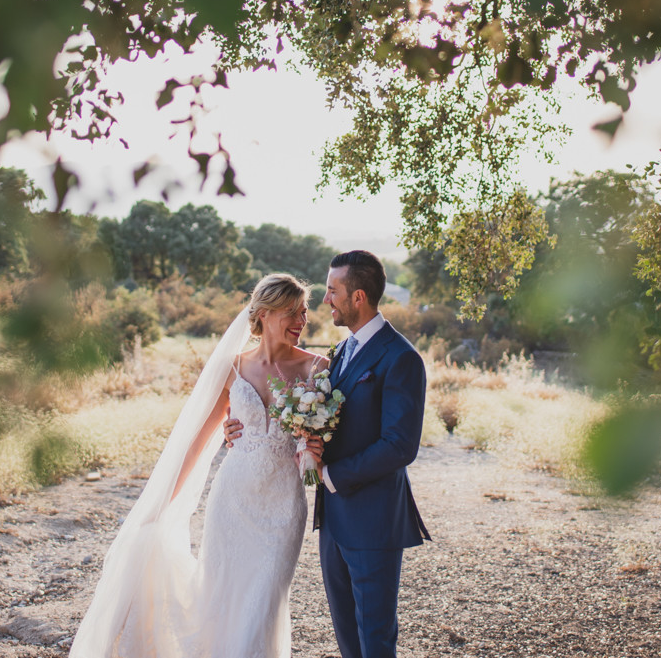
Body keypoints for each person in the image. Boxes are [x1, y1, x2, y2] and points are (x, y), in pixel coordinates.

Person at [69, 273, 327, 658]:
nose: (302, 322)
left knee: (265, 603)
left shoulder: (316, 368)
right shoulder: (232, 369)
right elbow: (196, 442)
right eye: (293, 312)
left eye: (304, 313)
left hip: (282, 507)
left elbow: (330, 432)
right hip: (232, 502)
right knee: (221, 601)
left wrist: (317, 446)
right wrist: (160, 505)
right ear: (265, 314)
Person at [226, 249, 429, 658]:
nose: (325, 301)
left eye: (332, 291)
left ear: (357, 297)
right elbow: (317, 421)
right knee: (348, 639)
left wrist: (330, 475)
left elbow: (400, 446)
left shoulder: (401, 358)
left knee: (375, 639)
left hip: (372, 522)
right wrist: (241, 431)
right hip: (332, 520)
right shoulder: (341, 354)